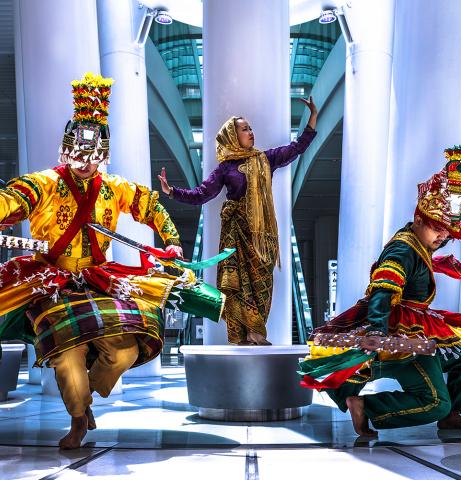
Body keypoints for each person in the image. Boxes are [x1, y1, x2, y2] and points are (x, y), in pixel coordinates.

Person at [0, 73, 224, 449]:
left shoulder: (115, 187)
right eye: (78, 156)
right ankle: (78, 418)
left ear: (103, 156)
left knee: (126, 349)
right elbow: (10, 199)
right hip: (50, 281)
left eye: (93, 158)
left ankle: (88, 394)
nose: (85, 164)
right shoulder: (41, 184)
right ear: (65, 152)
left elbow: (151, 207)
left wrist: (170, 241)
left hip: (99, 279)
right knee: (67, 355)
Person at [299, 145, 461, 436]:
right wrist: (378, 331)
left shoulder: (419, 243)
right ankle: (367, 407)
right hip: (402, 328)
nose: (443, 236)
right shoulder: (403, 249)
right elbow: (383, 289)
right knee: (434, 402)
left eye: (447, 231)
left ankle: (453, 414)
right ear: (419, 218)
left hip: (423, 322)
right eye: (438, 228)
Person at [159, 98, 318, 345]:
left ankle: (255, 329)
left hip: (262, 237)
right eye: (245, 129)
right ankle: (248, 334)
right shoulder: (226, 168)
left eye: (250, 128)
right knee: (237, 284)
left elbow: (297, 147)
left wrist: (312, 118)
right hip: (236, 234)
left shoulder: (266, 158)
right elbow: (202, 194)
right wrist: (172, 192)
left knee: (262, 285)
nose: (250, 132)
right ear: (232, 135)